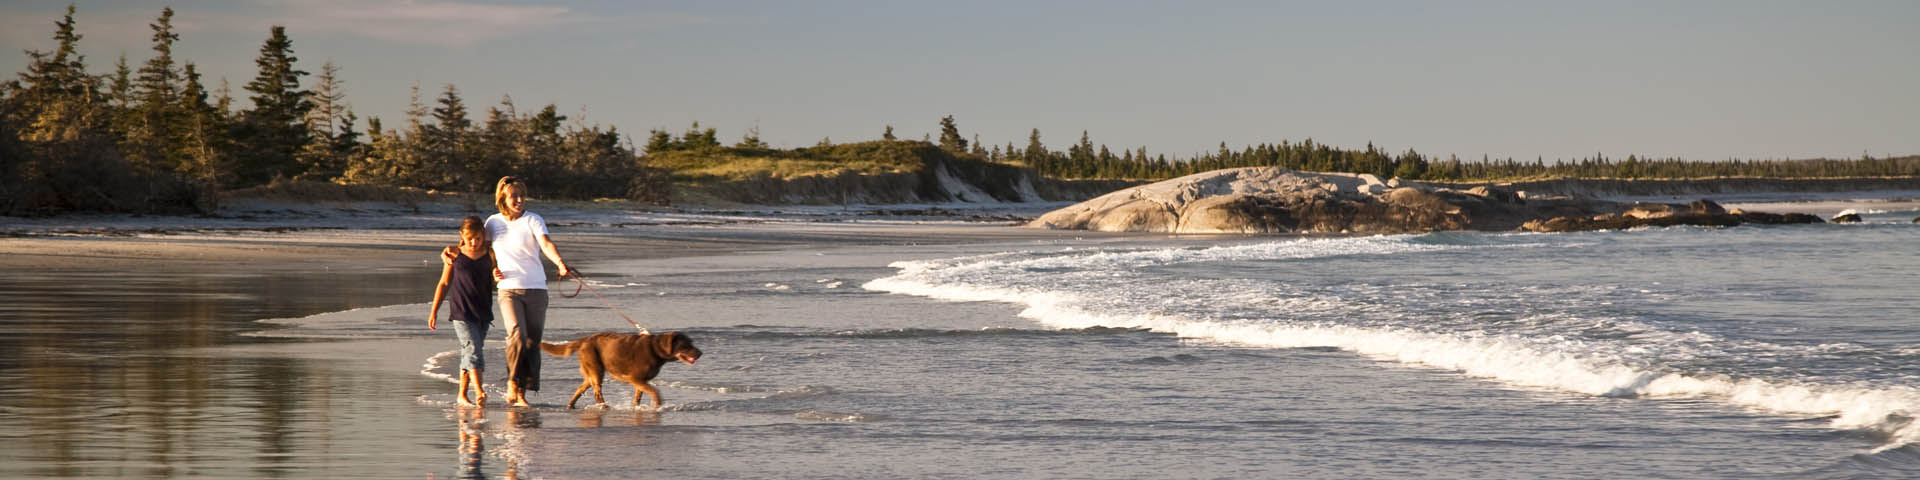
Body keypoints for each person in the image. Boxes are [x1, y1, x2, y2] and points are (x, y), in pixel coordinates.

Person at [482, 176, 573, 407]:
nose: (520, 200)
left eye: (522, 195)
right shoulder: (492, 222)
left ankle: (523, 391)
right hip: (508, 290)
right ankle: (513, 383)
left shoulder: (533, 219)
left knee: (532, 342)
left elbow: (546, 244)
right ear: (502, 196)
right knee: (517, 336)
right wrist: (493, 269)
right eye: (514, 196)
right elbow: (483, 250)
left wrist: (560, 263)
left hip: (537, 289)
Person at [429, 216, 495, 407]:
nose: (474, 243)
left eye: (478, 238)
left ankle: (462, 395)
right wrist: (434, 311)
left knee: (470, 352)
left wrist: (497, 276)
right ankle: (479, 392)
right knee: (473, 350)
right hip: (461, 312)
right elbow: (444, 283)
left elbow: (496, 279)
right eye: (470, 238)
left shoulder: (490, 254)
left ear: (483, 236)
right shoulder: (455, 255)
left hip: (483, 311)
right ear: (462, 236)